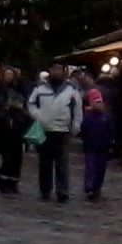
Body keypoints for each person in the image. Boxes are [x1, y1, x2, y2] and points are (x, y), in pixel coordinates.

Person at [28, 62, 82, 203]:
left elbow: (77, 109)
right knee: (44, 162)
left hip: (62, 130)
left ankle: (62, 190)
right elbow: (31, 103)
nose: (56, 72)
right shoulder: (40, 88)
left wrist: (76, 125)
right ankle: (45, 189)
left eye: (59, 69)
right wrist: (37, 115)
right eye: (54, 69)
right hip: (45, 129)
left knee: (62, 163)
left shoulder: (71, 89)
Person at [0, 68, 30, 194]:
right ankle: (4, 181)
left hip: (18, 126)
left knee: (17, 157)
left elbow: (25, 106)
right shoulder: (0, 89)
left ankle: (13, 181)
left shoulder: (20, 89)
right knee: (7, 157)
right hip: (6, 127)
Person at [81, 88, 115, 200]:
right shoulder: (88, 116)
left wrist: (111, 143)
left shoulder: (106, 117)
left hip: (103, 147)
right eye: (96, 102)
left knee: (101, 168)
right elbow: (84, 131)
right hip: (91, 146)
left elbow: (111, 131)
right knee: (91, 167)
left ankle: (97, 187)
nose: (99, 105)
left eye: (100, 102)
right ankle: (89, 187)